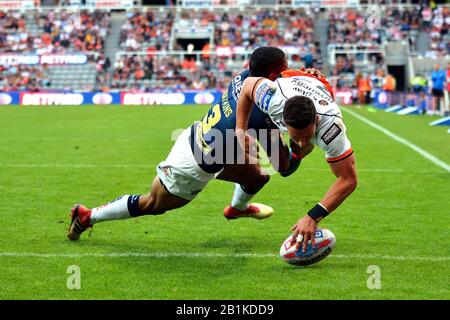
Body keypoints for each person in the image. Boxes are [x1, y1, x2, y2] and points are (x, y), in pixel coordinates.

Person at [67, 47, 319, 241]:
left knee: (257, 177)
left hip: (206, 140)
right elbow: (284, 167)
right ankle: (89, 215)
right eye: (285, 70)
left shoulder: (245, 77)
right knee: (151, 204)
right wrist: (300, 151)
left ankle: (236, 209)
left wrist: (306, 76)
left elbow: (280, 81)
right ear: (272, 75)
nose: (289, 73)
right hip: (191, 165)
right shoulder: (261, 115)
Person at [234, 70, 358, 253]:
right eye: (295, 136)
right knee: (283, 166)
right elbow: (247, 85)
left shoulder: (331, 130)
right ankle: (238, 203)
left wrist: (313, 216)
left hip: (316, 86)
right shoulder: (272, 98)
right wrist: (240, 130)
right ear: (282, 120)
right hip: (288, 83)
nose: (301, 141)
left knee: (288, 164)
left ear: (316, 120)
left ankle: (295, 156)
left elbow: (348, 179)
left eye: (307, 136)